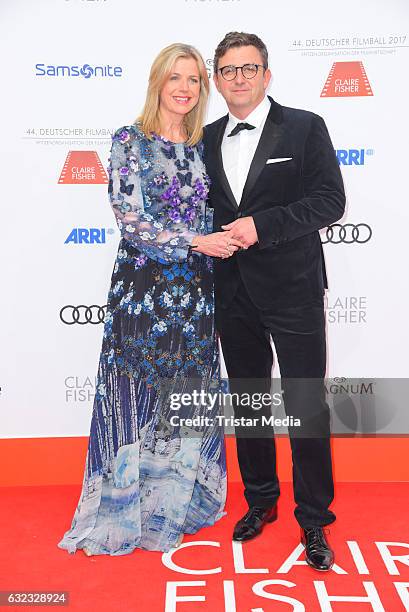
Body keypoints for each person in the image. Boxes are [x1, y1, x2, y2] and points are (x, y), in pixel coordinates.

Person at [57, 43, 243, 556]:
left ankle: (178, 502)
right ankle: (125, 508)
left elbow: (214, 210)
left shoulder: (206, 143)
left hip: (197, 290)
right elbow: (131, 219)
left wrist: (224, 237)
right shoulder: (129, 141)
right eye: (174, 78)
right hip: (144, 289)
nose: (184, 88)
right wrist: (194, 242)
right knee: (136, 391)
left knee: (185, 393)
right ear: (157, 82)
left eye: (194, 80)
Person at [201, 32, 346, 571]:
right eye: (229, 69)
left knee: (307, 405)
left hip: (293, 290)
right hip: (232, 292)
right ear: (217, 80)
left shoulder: (305, 126)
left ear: (267, 74)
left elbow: (330, 200)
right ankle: (261, 499)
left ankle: (314, 519)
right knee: (251, 402)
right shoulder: (206, 137)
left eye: (249, 68)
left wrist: (264, 225)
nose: (239, 77)